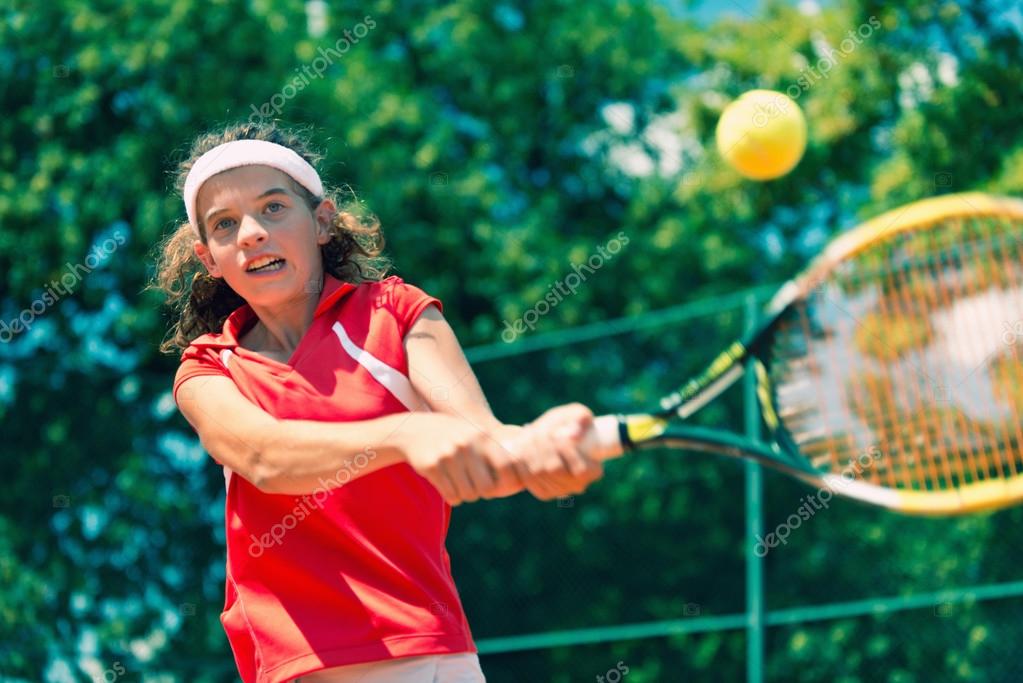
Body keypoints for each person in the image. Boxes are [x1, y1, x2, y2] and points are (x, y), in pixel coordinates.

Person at [154, 122, 605, 683]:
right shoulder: (207, 367)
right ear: (209, 258)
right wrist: (405, 435)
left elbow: (485, 440)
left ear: (321, 221)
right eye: (225, 225)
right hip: (292, 669)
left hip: (427, 655)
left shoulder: (397, 310)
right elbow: (264, 457)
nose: (250, 233)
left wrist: (538, 448)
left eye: (273, 208)